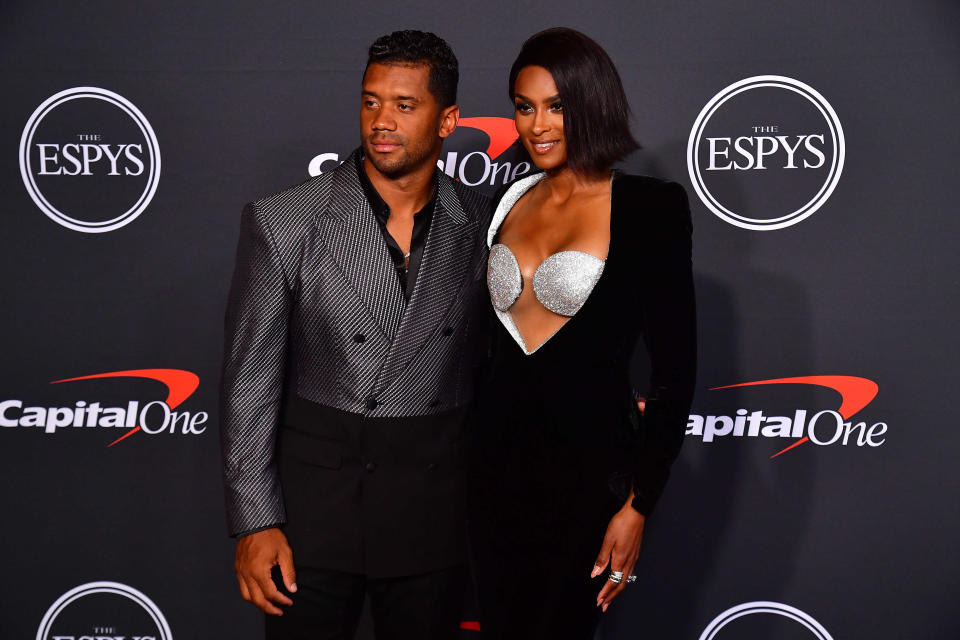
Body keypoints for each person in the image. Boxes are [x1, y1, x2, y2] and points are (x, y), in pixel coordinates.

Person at [219, 30, 491, 640]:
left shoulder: (481, 222)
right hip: (313, 518)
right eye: (370, 101)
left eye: (404, 104)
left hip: (433, 513)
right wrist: (254, 523)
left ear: (447, 119)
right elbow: (249, 384)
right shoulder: (286, 220)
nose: (381, 122)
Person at [467, 27, 697, 638]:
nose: (537, 125)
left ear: (592, 103)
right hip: (490, 477)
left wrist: (638, 505)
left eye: (556, 106)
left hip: (587, 483)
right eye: (524, 106)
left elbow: (676, 372)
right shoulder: (507, 198)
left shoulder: (650, 207)